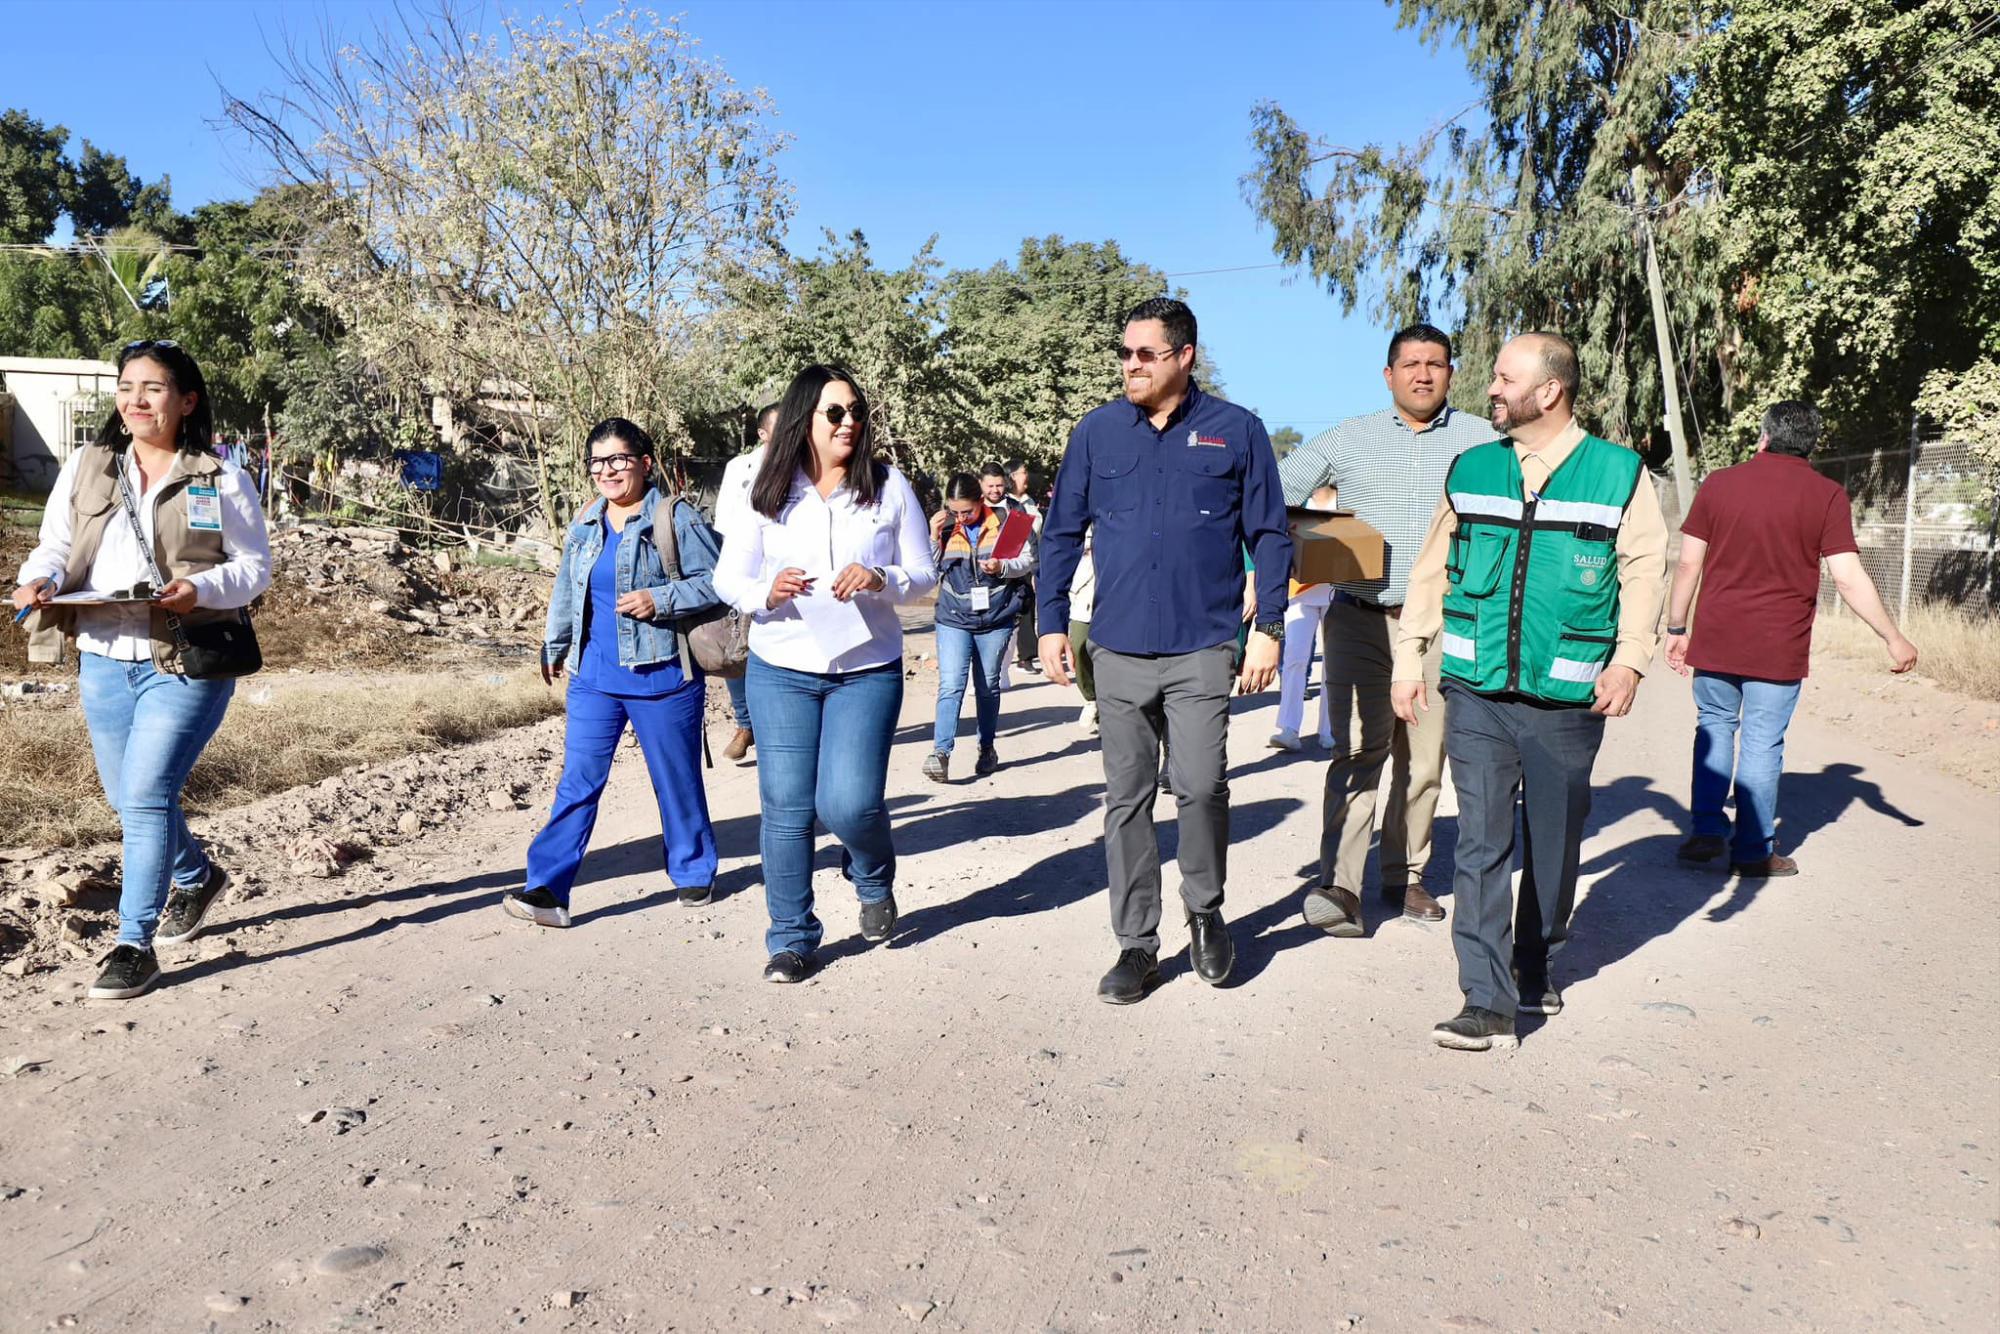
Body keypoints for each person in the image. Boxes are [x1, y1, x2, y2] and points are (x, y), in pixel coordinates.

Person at [1392, 332, 1666, 1051]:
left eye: (1506, 378)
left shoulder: (1617, 474)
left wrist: (1630, 661)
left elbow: (1643, 570)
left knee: (1555, 839)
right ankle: (1483, 998)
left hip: (1568, 696)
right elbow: (1431, 570)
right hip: (1475, 689)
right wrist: (1408, 657)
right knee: (1481, 840)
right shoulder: (1474, 468)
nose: (1490, 388)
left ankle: (1536, 953)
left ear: (1549, 391)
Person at [1038, 297, 1290, 1003]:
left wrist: (1268, 627)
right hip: (1116, 649)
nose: (1130, 366)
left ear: (1185, 356)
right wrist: (1051, 621)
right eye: (1124, 354)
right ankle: (1136, 944)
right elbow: (1060, 533)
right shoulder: (1097, 433)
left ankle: (1205, 911)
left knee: (1202, 785)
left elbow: (1270, 535)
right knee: (1126, 797)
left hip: (1203, 645)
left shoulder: (1236, 432)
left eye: (1145, 354)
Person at [12, 340, 271, 1001]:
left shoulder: (220, 477)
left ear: (186, 401)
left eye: (152, 388)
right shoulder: (87, 466)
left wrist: (199, 590)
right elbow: (55, 545)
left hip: (183, 659)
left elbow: (252, 568)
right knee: (126, 798)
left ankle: (134, 944)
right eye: (127, 387)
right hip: (101, 656)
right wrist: (37, 580)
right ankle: (197, 877)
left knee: (148, 795)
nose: (135, 399)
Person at [713, 365, 937, 984]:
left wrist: (881, 578)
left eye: (856, 412)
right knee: (785, 806)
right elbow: (729, 577)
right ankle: (791, 937)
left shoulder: (888, 487)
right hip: (782, 666)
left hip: (866, 670)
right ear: (804, 417)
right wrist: (766, 592)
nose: (849, 423)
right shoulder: (765, 485)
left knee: (850, 802)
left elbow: (924, 575)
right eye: (835, 412)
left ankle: (870, 872)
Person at [1279, 323, 1495, 932]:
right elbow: (1274, 494)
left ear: (1452, 372)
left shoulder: (1485, 442)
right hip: (1359, 620)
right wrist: (1319, 544)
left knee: (1425, 761)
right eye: (1411, 364)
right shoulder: (1349, 437)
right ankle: (1341, 886)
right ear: (1388, 374)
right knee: (1355, 750)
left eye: (1436, 364)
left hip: (1442, 625)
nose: (1423, 374)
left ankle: (1405, 877)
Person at [1664, 400, 1917, 877]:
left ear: (1763, 436)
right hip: (1779, 645)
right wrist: (1892, 637)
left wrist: (1676, 627)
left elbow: (1687, 563)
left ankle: (1705, 833)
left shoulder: (1719, 484)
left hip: (1717, 637)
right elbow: (1848, 578)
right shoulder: (1826, 495)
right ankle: (1753, 851)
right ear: (1811, 446)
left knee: (1715, 724)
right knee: (1762, 742)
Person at [505, 419, 722, 928]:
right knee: (577, 781)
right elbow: (568, 587)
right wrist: (555, 644)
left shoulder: (675, 518)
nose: (608, 471)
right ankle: (547, 888)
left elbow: (720, 582)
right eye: (598, 462)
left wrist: (660, 598)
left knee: (676, 782)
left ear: (645, 463)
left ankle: (693, 869)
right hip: (594, 677)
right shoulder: (586, 520)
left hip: (662, 675)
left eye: (619, 460)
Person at [926, 472, 1036, 782]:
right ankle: (940, 753)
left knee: (988, 686)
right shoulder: (945, 526)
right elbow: (927, 570)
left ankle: (987, 748)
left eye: (967, 511)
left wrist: (1002, 566)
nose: (961, 518)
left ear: (981, 502)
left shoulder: (1008, 520)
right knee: (951, 684)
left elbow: (1028, 559)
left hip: (997, 616)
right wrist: (933, 538)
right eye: (955, 511)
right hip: (954, 617)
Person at [714, 402, 778, 762]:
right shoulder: (739, 469)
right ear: (762, 433)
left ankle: (774, 728)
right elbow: (724, 524)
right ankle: (745, 723)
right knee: (736, 654)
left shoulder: (810, 467)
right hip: (747, 575)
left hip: (789, 579)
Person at [1267, 575, 1334, 751]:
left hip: (1338, 589)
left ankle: (1329, 729)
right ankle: (1289, 727)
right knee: (1294, 657)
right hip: (1298, 590)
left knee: (1334, 662)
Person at [1004, 457, 1044, 674]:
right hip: (1009, 561)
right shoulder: (1005, 502)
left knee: (1028, 607)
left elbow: (1037, 532)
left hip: (1028, 561)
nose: (1026, 475)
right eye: (1022, 472)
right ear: (1012, 477)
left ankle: (1026, 657)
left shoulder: (1029, 502)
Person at [1068, 527, 1099, 735]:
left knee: (1112, 662)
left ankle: (1107, 718)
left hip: (1112, 596)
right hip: (1081, 599)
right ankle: (1091, 697)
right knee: (1079, 649)